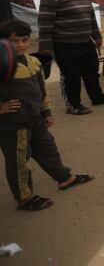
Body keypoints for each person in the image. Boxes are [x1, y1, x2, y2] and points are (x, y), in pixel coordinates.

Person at [0, 19, 93, 211]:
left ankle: (64, 178)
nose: (20, 45)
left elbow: (41, 91)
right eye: (13, 41)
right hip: (14, 125)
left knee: (48, 149)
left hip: (36, 119)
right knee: (18, 161)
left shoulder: (34, 62)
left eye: (24, 40)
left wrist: (47, 112)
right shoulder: (2, 65)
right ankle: (25, 199)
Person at [38, 0, 104, 115]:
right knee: (71, 76)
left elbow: (90, 17)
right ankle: (73, 105)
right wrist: (45, 45)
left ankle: (98, 98)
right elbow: (44, 22)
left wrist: (96, 35)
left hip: (85, 42)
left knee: (91, 72)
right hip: (64, 44)